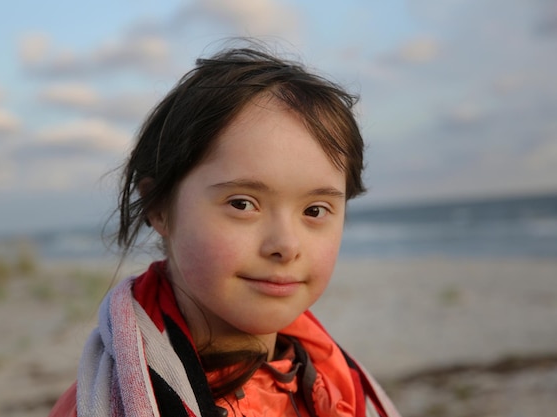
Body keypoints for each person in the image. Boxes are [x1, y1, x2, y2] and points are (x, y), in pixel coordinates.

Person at [49, 42, 401, 417]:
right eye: (242, 204)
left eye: (315, 210)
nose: (285, 245)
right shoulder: (103, 404)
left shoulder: (334, 385)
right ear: (159, 207)